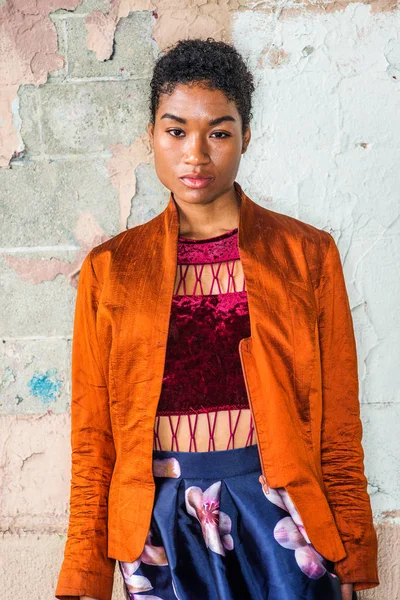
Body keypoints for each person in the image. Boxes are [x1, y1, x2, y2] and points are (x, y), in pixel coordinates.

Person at [55, 38, 378, 600]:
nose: (195, 154)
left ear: (245, 137)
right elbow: (93, 438)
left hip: (282, 519)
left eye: (219, 132)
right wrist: (85, 572)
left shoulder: (307, 256)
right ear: (151, 136)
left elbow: (339, 431)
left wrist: (350, 554)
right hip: (159, 527)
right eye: (175, 130)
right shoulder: (112, 270)